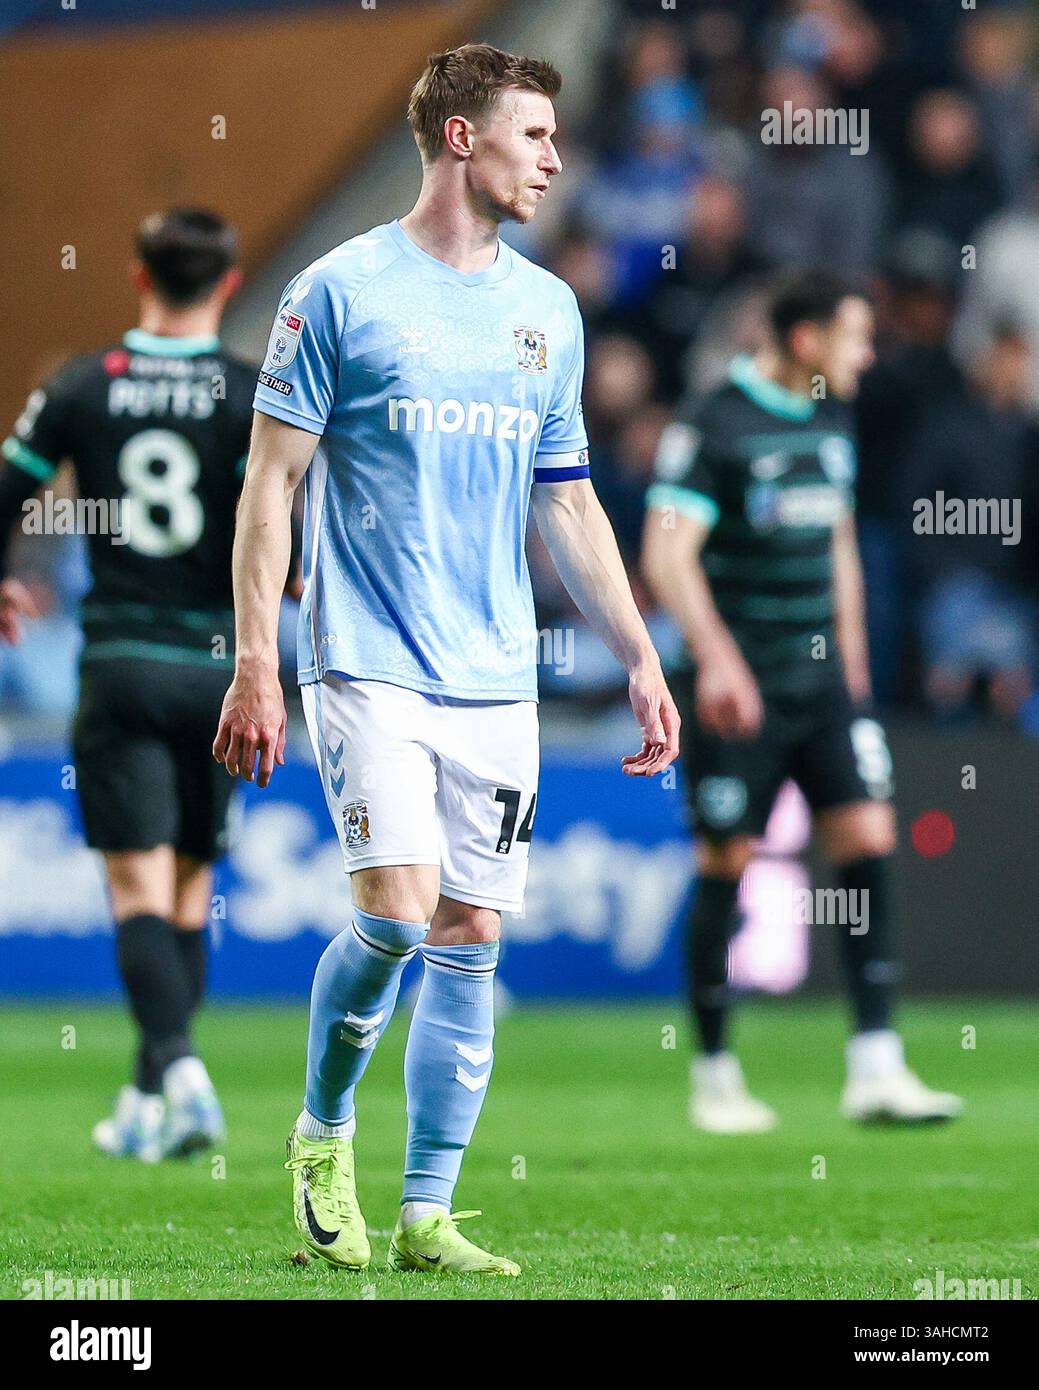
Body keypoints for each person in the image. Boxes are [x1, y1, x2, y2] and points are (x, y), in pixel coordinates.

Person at [212, 43, 679, 1276]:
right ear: (464, 139)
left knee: (471, 929)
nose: (556, 159)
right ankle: (321, 1135)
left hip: (497, 673)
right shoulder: (338, 292)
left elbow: (568, 505)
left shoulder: (548, 313)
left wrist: (638, 655)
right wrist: (256, 657)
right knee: (399, 915)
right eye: (534, 135)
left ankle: (426, 1210)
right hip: (365, 658)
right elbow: (271, 485)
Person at [642, 270, 962, 1133]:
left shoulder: (829, 416)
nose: (866, 354)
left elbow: (840, 543)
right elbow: (666, 556)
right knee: (726, 860)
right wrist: (714, 660)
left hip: (821, 687)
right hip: (734, 689)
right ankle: (712, 1074)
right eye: (854, 337)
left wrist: (853, 680)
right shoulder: (713, 421)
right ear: (805, 340)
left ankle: (876, 1068)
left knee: (866, 838)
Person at [0, 208, 255, 1159]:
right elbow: (288, 515)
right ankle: (150, 1104)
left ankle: (179, 1071)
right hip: (222, 670)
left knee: (137, 888)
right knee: (190, 890)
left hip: (121, 661)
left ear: (138, 273)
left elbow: (6, 488)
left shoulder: (82, 383)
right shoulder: (247, 392)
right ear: (227, 285)